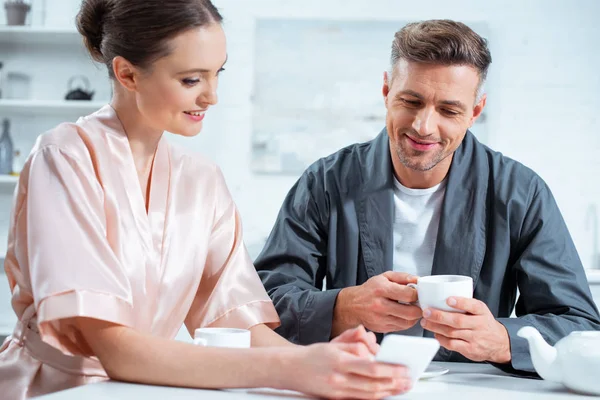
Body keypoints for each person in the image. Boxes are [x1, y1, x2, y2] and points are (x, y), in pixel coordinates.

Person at [0, 1, 412, 399]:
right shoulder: (64, 158)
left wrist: (327, 362)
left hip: (136, 389)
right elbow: (113, 349)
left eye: (218, 74)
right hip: (49, 389)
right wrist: (296, 370)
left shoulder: (201, 180)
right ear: (127, 74)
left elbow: (234, 322)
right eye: (191, 80)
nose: (211, 96)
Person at [255, 19, 600, 375]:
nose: (424, 126)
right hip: (353, 381)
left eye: (449, 110)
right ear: (387, 91)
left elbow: (580, 325)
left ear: (475, 112)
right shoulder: (325, 182)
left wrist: (501, 339)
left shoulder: (521, 192)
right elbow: (259, 304)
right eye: (411, 100)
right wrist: (342, 307)